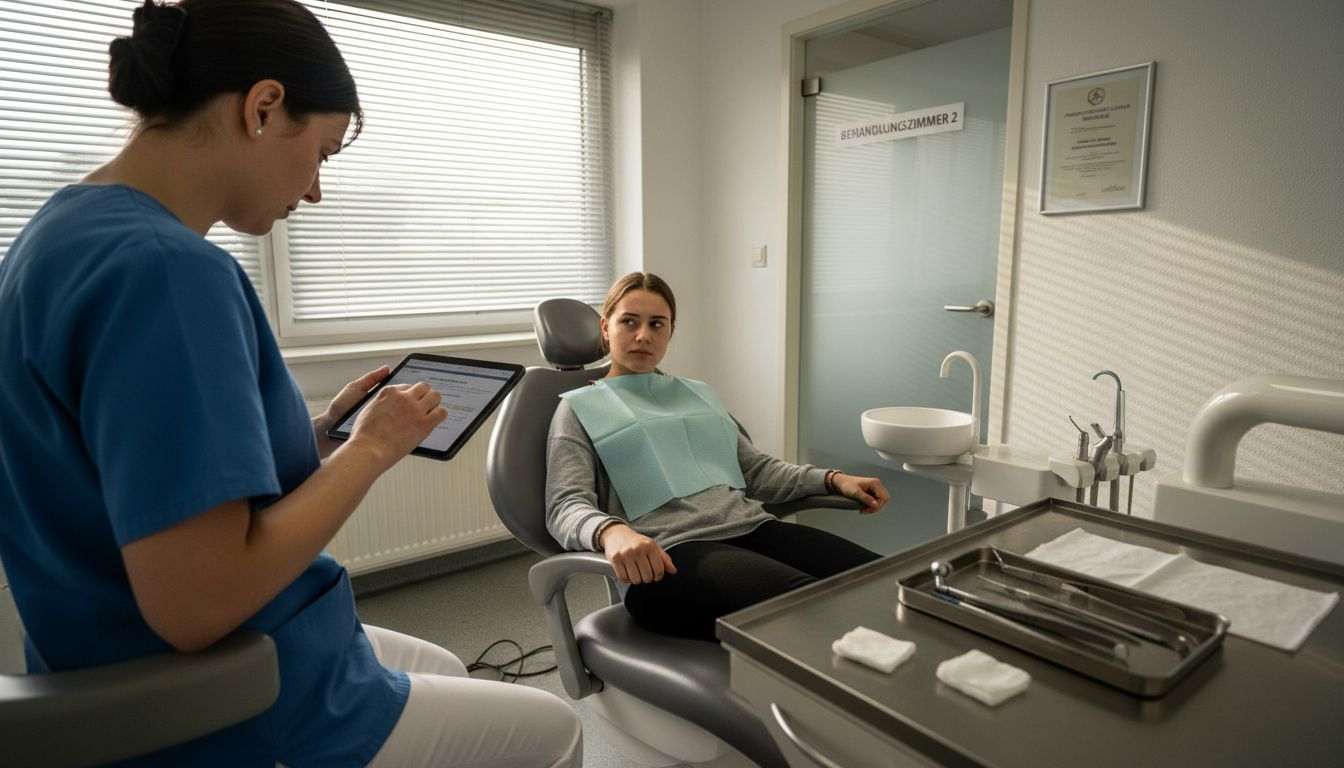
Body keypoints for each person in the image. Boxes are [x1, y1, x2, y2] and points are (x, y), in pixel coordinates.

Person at [0, 1, 580, 765]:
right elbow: (197, 605)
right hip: (229, 701)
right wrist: (368, 450)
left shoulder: (54, 237)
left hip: (99, 643)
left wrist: (318, 438)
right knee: (555, 730)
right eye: (324, 155)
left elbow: (136, 483)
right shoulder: (170, 272)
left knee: (442, 665)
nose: (314, 193)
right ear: (265, 108)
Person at [546, 272, 892, 640]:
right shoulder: (580, 408)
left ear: (670, 332)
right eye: (629, 321)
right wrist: (611, 532)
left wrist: (832, 479)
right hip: (668, 556)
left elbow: (756, 470)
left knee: (886, 582)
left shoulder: (696, 395)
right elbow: (564, 505)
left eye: (656, 324)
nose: (643, 335)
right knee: (810, 608)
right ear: (606, 327)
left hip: (751, 528)